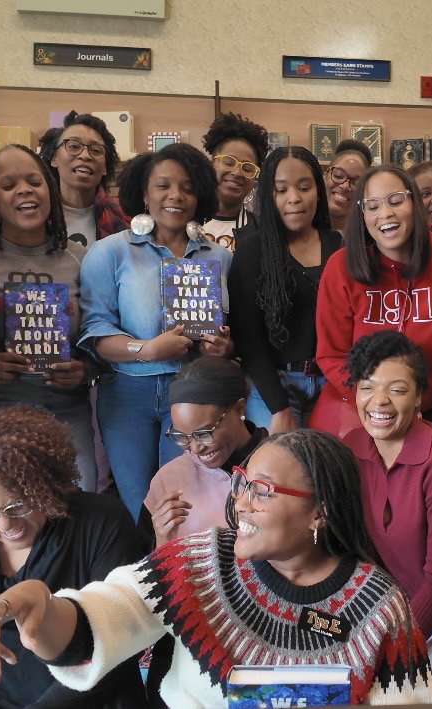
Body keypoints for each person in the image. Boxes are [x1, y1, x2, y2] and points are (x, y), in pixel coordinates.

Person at [0, 430, 432, 705]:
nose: (241, 503)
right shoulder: (200, 561)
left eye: (264, 490)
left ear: (320, 512)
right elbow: (108, 615)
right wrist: (43, 609)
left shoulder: (378, 605)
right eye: (242, 483)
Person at [0, 406, 146, 708]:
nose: (5, 526)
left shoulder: (100, 523)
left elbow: (118, 647)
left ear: (44, 485)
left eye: (17, 506)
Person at [79, 143, 233, 522]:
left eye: (187, 187)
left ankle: (179, 576)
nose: (175, 196)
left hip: (192, 394)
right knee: (138, 506)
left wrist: (223, 346)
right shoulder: (109, 252)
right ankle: (145, 579)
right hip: (126, 395)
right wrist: (146, 349)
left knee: (183, 503)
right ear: (143, 193)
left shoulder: (219, 257)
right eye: (163, 186)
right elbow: (95, 333)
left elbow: (233, 332)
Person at [343, 330, 432, 702]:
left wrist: (390, 650)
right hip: (380, 613)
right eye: (367, 387)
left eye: (397, 389)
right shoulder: (353, 447)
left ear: (420, 396)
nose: (379, 401)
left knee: (387, 697)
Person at [311, 166, 432, 460]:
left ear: (415, 205)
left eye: (395, 200)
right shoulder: (341, 267)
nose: (385, 214)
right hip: (359, 408)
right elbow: (332, 355)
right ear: (362, 216)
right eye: (372, 206)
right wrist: (380, 401)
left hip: (431, 408)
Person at [0, 144, 99, 489]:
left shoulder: (83, 259)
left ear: (49, 190)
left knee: (78, 506)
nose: (24, 190)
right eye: (8, 185)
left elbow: (101, 333)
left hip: (64, 411)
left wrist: (85, 370)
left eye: (34, 182)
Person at [229, 146, 341, 433]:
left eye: (304, 187)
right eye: (281, 190)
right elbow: (248, 339)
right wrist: (278, 407)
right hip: (274, 386)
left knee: (330, 473)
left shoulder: (339, 246)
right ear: (268, 195)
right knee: (280, 474)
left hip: (334, 384)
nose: (294, 198)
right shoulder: (252, 252)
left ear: (318, 189)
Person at [144, 355, 267, 547]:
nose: (194, 448)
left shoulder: (281, 467)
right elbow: (141, 567)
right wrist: (162, 541)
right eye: (182, 436)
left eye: (204, 433)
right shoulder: (169, 480)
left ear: (239, 408)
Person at [37, 110, 129, 249]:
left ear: (105, 167)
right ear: (54, 158)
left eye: (96, 150)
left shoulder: (124, 218)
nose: (85, 155)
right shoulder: (35, 215)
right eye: (74, 146)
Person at [200, 112, 268, 249]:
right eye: (228, 162)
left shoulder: (262, 233)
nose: (237, 173)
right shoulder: (183, 222)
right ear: (212, 163)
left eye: (248, 168)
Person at [324, 140, 370, 233]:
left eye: (356, 183)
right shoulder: (300, 229)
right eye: (338, 176)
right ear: (324, 176)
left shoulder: (370, 239)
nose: (345, 186)